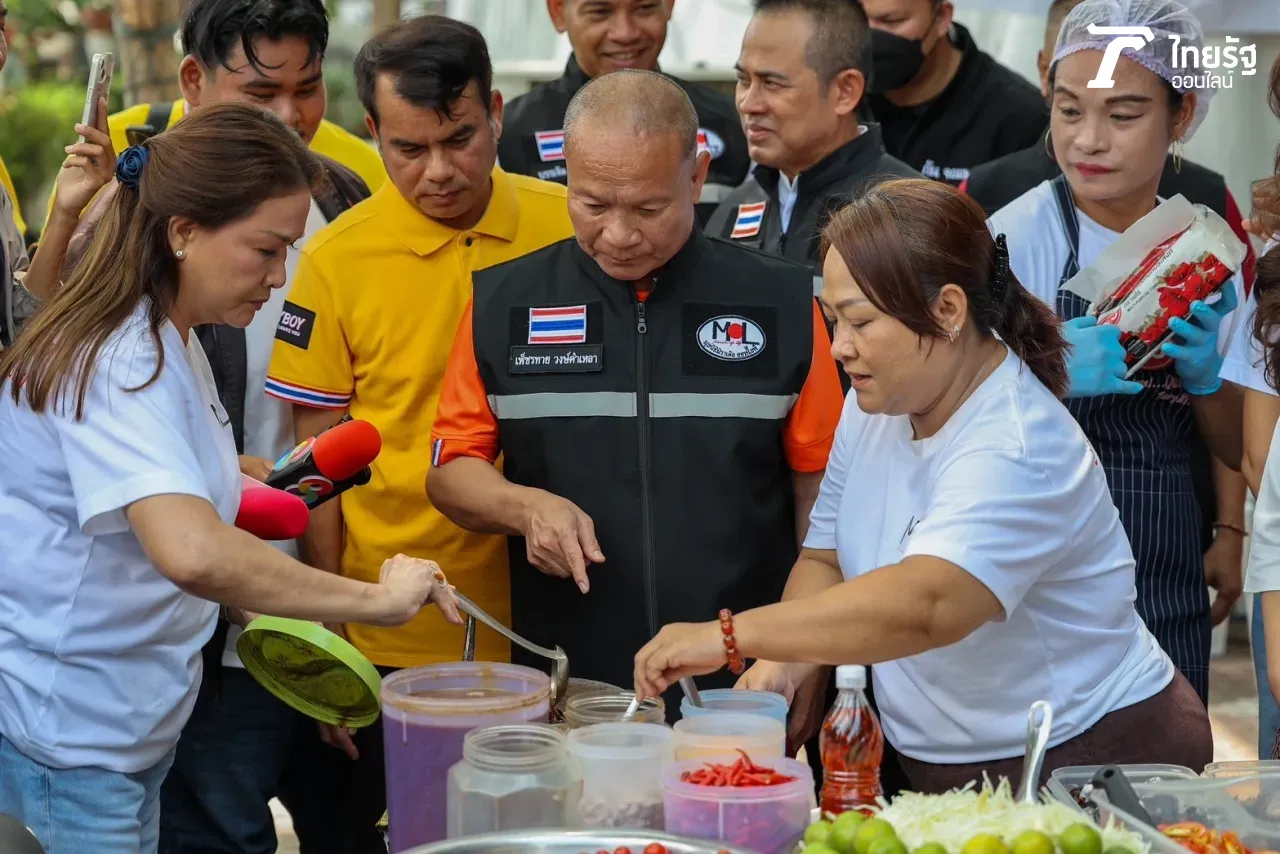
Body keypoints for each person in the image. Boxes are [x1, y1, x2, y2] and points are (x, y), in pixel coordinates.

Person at [632, 177, 1214, 793]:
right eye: (832, 320)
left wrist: (732, 635)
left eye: (859, 322)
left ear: (948, 311)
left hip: (1086, 752)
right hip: (945, 758)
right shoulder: (875, 402)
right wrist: (786, 660)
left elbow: (928, 604)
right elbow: (826, 555)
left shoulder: (1015, 442)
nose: (839, 347)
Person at [0, 103, 459, 854]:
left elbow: (187, 505)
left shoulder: (170, 336)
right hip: (74, 748)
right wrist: (377, 603)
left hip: (119, 735)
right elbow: (194, 551)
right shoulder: (124, 361)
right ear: (183, 232)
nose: (279, 276)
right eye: (267, 250)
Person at [428, 69, 844, 712]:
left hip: (747, 682)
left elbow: (823, 495)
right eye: (593, 205)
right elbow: (452, 468)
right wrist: (525, 506)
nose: (619, 235)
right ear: (565, 172)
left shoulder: (784, 302)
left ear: (698, 176)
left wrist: (805, 660)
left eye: (649, 208)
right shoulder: (502, 303)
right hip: (567, 679)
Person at [263, 17, 574, 852]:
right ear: (371, 132)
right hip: (395, 638)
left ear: (498, 113)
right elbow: (315, 463)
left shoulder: (576, 229)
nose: (438, 170)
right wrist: (331, 628)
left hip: (558, 629)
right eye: (408, 148)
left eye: (460, 139)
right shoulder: (333, 260)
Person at [962, 0, 1254, 685]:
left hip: (1161, 564)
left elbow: (1235, 441)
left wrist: (1208, 383)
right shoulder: (1011, 238)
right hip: (1035, 565)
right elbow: (953, 407)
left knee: (1163, 774)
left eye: (1122, 116)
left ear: (1181, 116)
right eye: (1068, 111)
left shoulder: (1204, 249)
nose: (1089, 140)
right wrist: (1042, 371)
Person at [706, 0, 916, 281]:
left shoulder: (908, 213)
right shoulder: (733, 211)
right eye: (743, 79)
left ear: (845, 91)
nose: (748, 103)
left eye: (772, 84)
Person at [497, 0, 749, 224]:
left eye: (644, 8)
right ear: (558, 11)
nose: (625, 33)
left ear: (669, 5)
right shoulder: (509, 134)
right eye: (600, 11)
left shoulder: (731, 120)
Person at [860, 0, 1047, 185]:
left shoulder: (1021, 119)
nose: (870, 36)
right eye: (859, 18)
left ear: (941, 17)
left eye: (892, 21)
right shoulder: (838, 92)